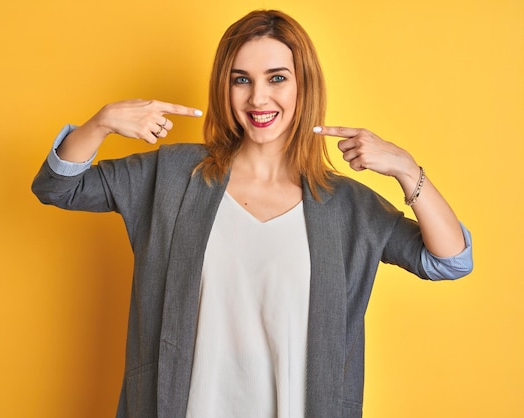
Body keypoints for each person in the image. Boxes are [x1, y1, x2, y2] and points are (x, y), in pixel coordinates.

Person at [32, 9, 473, 418]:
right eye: (241, 79)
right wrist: (102, 123)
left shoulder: (346, 205)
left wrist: (404, 168)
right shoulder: (171, 175)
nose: (258, 98)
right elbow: (58, 185)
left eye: (276, 77)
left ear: (304, 85)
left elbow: (449, 260)